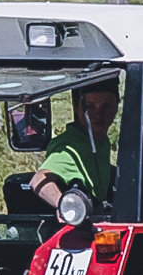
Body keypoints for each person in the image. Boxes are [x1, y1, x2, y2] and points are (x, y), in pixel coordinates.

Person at [24, 78, 121, 219]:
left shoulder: (98, 140)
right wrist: (66, 206)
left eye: (106, 106)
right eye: (90, 107)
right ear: (76, 107)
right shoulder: (70, 146)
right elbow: (39, 180)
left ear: (117, 106)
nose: (98, 114)